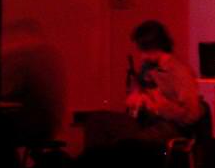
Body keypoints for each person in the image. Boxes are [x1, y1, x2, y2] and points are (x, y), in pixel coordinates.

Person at [84, 20, 203, 148]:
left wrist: (159, 107)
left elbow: (192, 115)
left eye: (145, 51)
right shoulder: (147, 66)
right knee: (97, 121)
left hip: (170, 126)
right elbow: (140, 90)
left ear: (156, 46)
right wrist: (135, 96)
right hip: (146, 121)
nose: (142, 57)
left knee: (130, 143)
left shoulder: (180, 72)